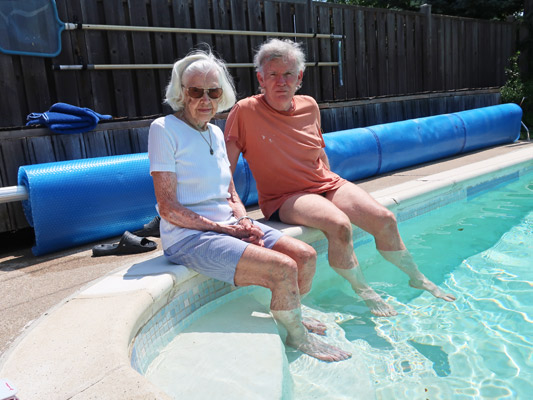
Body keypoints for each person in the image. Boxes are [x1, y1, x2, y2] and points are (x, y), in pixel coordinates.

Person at [224, 39, 456, 317]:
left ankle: (416, 276)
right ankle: (365, 291)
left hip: (326, 183)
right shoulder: (245, 111)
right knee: (339, 225)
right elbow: (225, 167)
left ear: (299, 77)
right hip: (284, 197)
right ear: (261, 78)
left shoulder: (309, 105)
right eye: (273, 74)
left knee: (385, 219)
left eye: (288, 74)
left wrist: (332, 185)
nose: (281, 81)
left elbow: (318, 151)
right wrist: (235, 212)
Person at [147, 49, 351, 362]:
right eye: (196, 92)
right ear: (181, 92)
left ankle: (289, 310)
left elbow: (229, 191)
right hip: (188, 237)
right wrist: (223, 229)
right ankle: (297, 337)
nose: (206, 100)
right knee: (283, 268)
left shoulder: (215, 132)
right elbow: (167, 208)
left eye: (214, 92)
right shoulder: (163, 129)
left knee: (305, 256)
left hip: (228, 226)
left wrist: (242, 221)